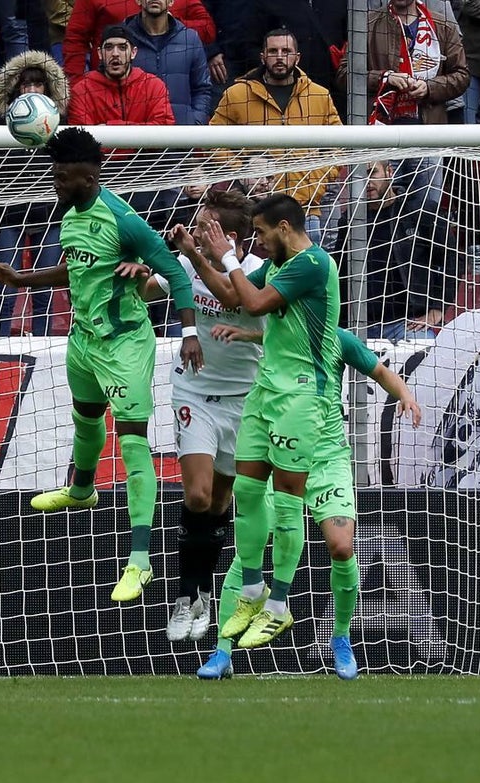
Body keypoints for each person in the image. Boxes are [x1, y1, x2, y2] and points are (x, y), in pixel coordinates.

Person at [0, 127, 202, 603]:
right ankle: (82, 490)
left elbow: (173, 273)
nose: (56, 183)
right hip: (83, 339)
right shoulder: (70, 214)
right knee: (84, 419)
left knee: (132, 444)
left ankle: (140, 560)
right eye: (55, 175)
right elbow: (77, 267)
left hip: (125, 344)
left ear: (88, 175)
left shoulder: (124, 220)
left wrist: (187, 333)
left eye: (63, 177)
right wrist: (21, 278)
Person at [194, 320, 423, 680]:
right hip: (278, 453)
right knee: (250, 550)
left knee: (342, 547)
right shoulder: (278, 330)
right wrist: (241, 332)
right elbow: (261, 328)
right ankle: (222, 652)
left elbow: (380, 372)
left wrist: (405, 394)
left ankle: (341, 638)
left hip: (325, 458)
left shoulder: (339, 340)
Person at [192, 192, 341, 650]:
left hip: (302, 395)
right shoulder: (276, 265)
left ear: (283, 228)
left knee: (288, 497)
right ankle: (252, 590)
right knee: (248, 489)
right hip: (266, 390)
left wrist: (230, 256)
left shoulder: (311, 264)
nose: (256, 240)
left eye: (260, 232)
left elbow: (254, 305)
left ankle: (278, 607)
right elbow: (231, 295)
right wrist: (195, 256)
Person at [139, 190, 263, 640]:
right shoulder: (187, 263)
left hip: (244, 401)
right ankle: (184, 596)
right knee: (196, 496)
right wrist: (140, 266)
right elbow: (147, 289)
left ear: (226, 236)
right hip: (194, 391)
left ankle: (203, 595)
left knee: (217, 504)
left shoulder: (257, 273)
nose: (191, 229)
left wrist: (198, 256)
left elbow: (235, 301)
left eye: (202, 223)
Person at [210, 29, 342, 245]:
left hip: (304, 210)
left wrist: (316, 181)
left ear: (297, 57)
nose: (280, 56)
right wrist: (241, 170)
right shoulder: (237, 94)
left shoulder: (319, 95)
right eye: (273, 51)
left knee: (307, 274)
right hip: (254, 210)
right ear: (263, 56)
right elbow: (212, 139)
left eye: (286, 51)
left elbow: (339, 146)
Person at [0, 49, 69, 336]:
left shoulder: (62, 124)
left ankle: (41, 351)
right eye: (25, 85)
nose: (31, 91)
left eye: (38, 84)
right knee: (5, 292)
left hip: (50, 217)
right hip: (10, 215)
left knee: (43, 292)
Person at [354, 0, 468, 204]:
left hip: (428, 136)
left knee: (427, 214)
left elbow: (461, 76)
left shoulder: (442, 25)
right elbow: (346, 74)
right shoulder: (368, 24)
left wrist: (429, 87)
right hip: (382, 139)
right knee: (382, 212)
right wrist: (385, 78)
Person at [352, 160, 456, 342]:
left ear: (389, 172)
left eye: (372, 173)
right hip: (359, 326)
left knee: (428, 359)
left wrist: (438, 307)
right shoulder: (350, 221)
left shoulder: (418, 211)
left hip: (407, 323)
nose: (367, 182)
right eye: (360, 176)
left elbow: (452, 258)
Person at [62, 0, 215, 87]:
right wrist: (76, 84)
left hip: (175, 92)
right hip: (112, 95)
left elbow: (208, 29)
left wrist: (170, 22)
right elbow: (75, 38)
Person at [123, 0, 212, 125]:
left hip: (183, 135)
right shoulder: (122, 41)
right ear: (138, 1)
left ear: (171, 1)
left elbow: (202, 89)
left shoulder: (190, 39)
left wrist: (196, 122)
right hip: (137, 135)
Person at [67, 24, 175, 126]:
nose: (115, 53)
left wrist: (110, 127)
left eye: (122, 48)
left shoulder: (153, 86)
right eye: (109, 47)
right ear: (99, 53)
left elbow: (164, 127)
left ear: (133, 52)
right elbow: (81, 137)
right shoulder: (82, 91)